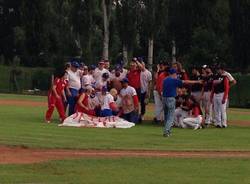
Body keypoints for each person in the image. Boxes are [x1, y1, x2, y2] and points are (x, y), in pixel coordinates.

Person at [162, 68, 202, 137]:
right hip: (171, 99)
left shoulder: (165, 80)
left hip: (164, 99)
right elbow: (186, 81)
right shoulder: (174, 80)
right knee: (170, 117)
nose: (176, 75)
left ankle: (167, 130)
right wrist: (197, 82)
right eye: (176, 74)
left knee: (166, 116)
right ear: (174, 74)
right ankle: (166, 132)